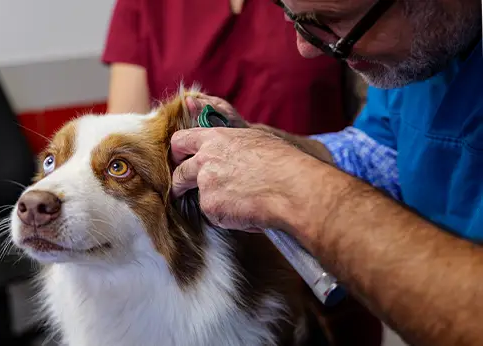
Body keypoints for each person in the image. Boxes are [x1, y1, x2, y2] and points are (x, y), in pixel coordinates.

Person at [169, 0, 483, 345]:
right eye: (293, 18)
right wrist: (271, 152)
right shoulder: (416, 58)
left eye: (332, 20)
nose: (305, 48)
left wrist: (297, 189)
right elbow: (379, 153)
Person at [101, 0, 360, 135]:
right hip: (193, 218)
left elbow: (376, 130)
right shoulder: (144, 5)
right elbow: (125, 133)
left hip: (314, 200)